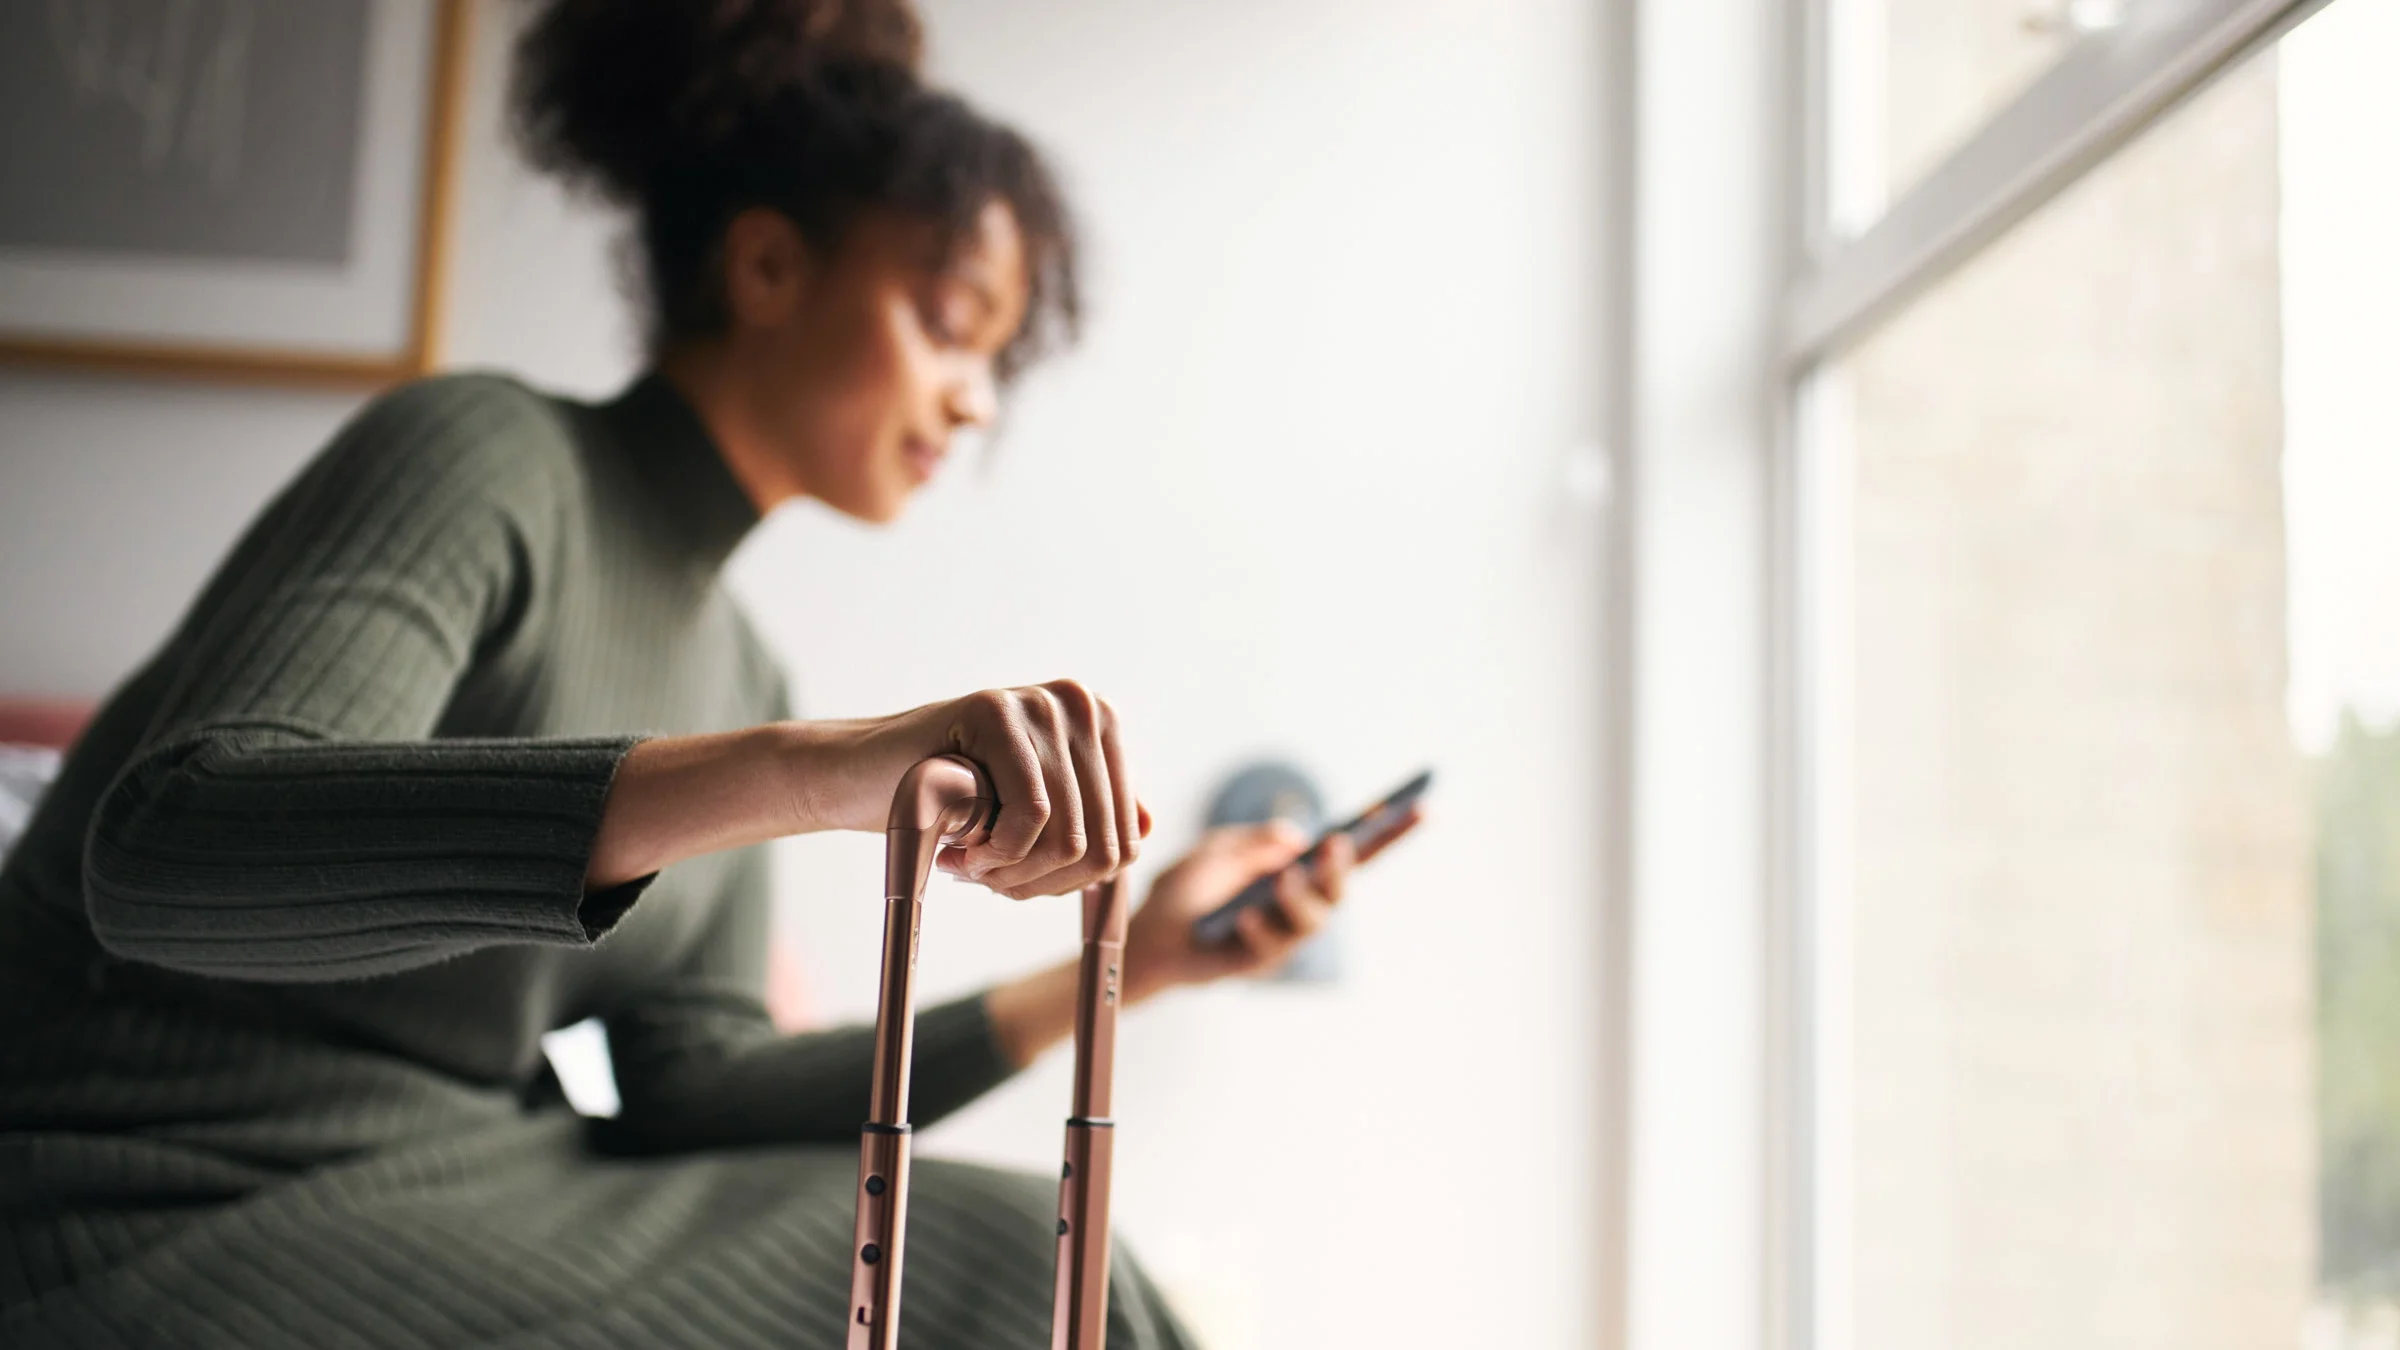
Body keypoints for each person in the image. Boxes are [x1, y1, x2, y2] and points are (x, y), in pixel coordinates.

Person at [0, 3, 1358, 1345]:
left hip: (472, 1179)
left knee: (1037, 1246)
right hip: (139, 1198)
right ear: (765, 267)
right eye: (949, 324)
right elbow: (167, 844)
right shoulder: (482, 456)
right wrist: (820, 770)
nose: (974, 397)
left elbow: (689, 1092)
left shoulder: (735, 659)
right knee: (1006, 1269)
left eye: (996, 356)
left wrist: (1137, 960)